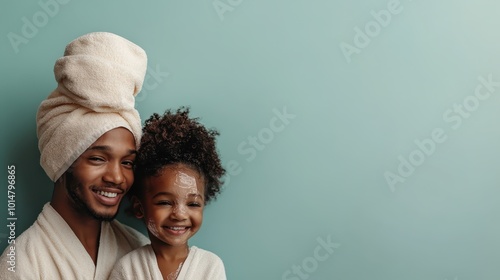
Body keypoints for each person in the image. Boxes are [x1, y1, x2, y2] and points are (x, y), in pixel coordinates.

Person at [0, 32, 150, 280]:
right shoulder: (21, 267)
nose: (117, 177)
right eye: (98, 159)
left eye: (127, 162)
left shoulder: (139, 249)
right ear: (62, 159)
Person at [109, 107, 227, 280]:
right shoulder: (127, 269)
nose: (179, 214)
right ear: (139, 207)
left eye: (193, 204)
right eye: (165, 202)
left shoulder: (210, 266)